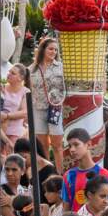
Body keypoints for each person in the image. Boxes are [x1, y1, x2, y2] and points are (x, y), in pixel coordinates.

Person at [29, 37, 66, 172]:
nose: (53, 52)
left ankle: (60, 173)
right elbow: (28, 90)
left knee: (57, 144)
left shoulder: (61, 67)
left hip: (55, 108)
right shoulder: (32, 69)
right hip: (38, 108)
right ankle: (48, 173)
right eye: (51, 49)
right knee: (42, 145)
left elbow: (66, 88)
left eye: (56, 50)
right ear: (43, 49)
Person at [62, 128, 108, 212]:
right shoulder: (68, 175)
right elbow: (66, 208)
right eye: (70, 146)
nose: (72, 149)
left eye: (76, 144)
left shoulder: (103, 173)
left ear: (88, 145)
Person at [2, 64, 30, 151]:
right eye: (9, 71)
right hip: (0, 129)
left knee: (12, 158)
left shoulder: (25, 91)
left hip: (15, 132)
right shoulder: (1, 87)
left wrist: (7, 116)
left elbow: (24, 112)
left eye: (13, 73)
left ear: (20, 78)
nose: (9, 74)